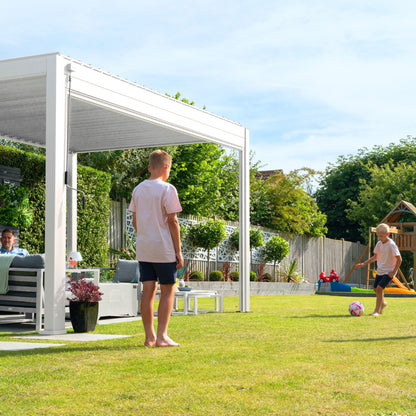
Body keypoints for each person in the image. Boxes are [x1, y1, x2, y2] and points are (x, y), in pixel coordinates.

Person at [129, 150, 183, 347]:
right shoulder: (168, 189)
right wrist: (178, 251)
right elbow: (172, 221)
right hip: (164, 249)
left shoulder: (138, 190)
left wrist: (145, 236)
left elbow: (135, 221)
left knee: (147, 291)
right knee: (168, 290)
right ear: (167, 167)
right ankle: (162, 336)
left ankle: (149, 337)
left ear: (149, 167)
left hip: (144, 249)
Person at [355, 223, 401, 316]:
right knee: (375, 288)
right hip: (380, 270)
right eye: (378, 236)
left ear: (387, 234)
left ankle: (376, 311)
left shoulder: (391, 244)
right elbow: (375, 257)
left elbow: (399, 259)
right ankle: (383, 303)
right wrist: (364, 263)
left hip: (389, 271)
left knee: (379, 289)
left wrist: (393, 272)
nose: (379, 237)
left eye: (381, 235)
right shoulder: (379, 243)